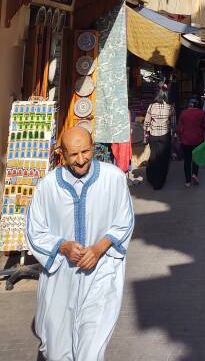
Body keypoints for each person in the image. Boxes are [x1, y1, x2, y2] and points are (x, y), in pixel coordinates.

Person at [26, 126, 134, 361]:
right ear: (61, 154)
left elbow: (124, 221)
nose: (81, 160)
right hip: (60, 276)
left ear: (93, 147)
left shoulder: (113, 178)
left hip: (101, 273)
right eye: (74, 154)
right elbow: (35, 231)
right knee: (57, 346)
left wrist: (98, 249)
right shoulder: (47, 187)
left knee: (91, 346)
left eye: (86, 151)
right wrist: (63, 246)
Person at [143, 91, 176, 190]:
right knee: (163, 159)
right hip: (165, 136)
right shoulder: (170, 107)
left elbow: (146, 122)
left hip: (153, 136)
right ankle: (160, 182)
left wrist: (146, 132)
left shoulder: (151, 106)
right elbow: (174, 125)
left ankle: (152, 179)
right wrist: (173, 135)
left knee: (153, 157)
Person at [177, 97, 205, 187]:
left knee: (187, 160)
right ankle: (194, 174)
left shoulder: (183, 113)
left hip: (186, 140)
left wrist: (179, 138)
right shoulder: (201, 113)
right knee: (196, 158)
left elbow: (179, 128)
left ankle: (187, 181)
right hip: (198, 140)